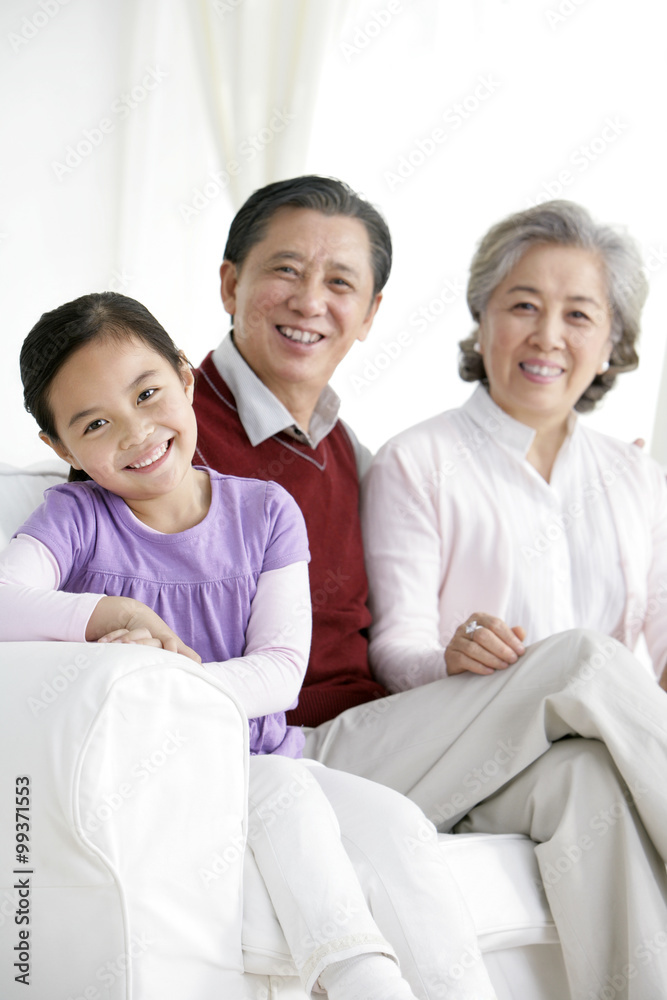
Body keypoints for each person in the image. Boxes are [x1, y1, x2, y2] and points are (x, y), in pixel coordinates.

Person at [193, 176, 667, 999]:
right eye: (286, 271)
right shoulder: (169, 423)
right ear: (230, 283)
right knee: (583, 662)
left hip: (383, 738)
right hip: (290, 750)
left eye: (339, 282)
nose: (310, 300)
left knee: (584, 779)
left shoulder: (343, 449)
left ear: (372, 313)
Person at [0, 291, 498, 1000]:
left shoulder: (264, 512)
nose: (137, 432)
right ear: (60, 447)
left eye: (147, 393)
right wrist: (109, 610)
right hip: (178, 779)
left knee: (399, 827)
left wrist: (179, 690)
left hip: (266, 749)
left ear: (183, 376)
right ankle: (359, 981)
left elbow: (281, 671)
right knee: (285, 796)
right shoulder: (75, 520)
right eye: (96, 423)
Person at [360, 199, 667, 998]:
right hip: (455, 753)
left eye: (577, 314)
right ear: (482, 318)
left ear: (610, 343)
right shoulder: (416, 461)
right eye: (522, 306)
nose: (546, 336)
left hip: (551, 769)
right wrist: (449, 656)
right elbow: (395, 647)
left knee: (590, 783)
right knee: (584, 659)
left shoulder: (637, 479)